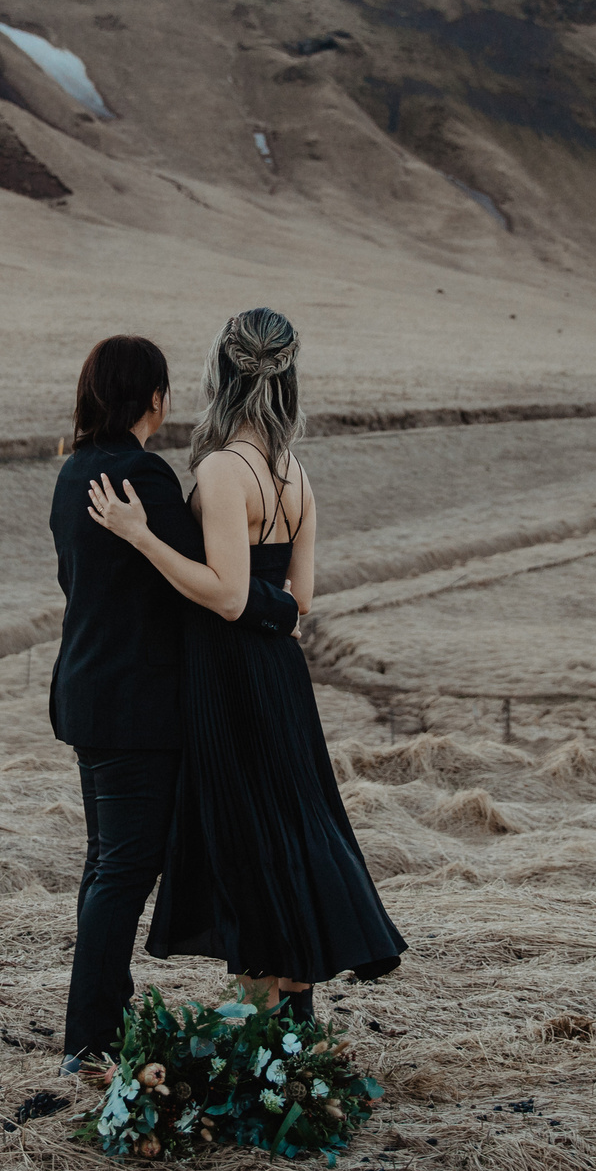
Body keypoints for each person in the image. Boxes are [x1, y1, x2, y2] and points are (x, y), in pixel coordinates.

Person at [86, 307, 405, 1019]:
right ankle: (295, 1034)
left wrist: (141, 537)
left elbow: (228, 595)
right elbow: (300, 599)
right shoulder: (295, 473)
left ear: (221, 376)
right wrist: (277, 612)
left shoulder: (225, 469)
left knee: (251, 844)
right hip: (280, 676)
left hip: (229, 677)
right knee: (285, 831)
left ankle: (267, 1033)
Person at [47, 335, 298, 1068]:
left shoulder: (73, 473)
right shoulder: (142, 477)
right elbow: (211, 580)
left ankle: (98, 1024)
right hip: (137, 707)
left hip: (86, 692)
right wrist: (279, 609)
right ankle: (89, 1040)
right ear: (152, 398)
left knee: (106, 864)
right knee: (123, 869)